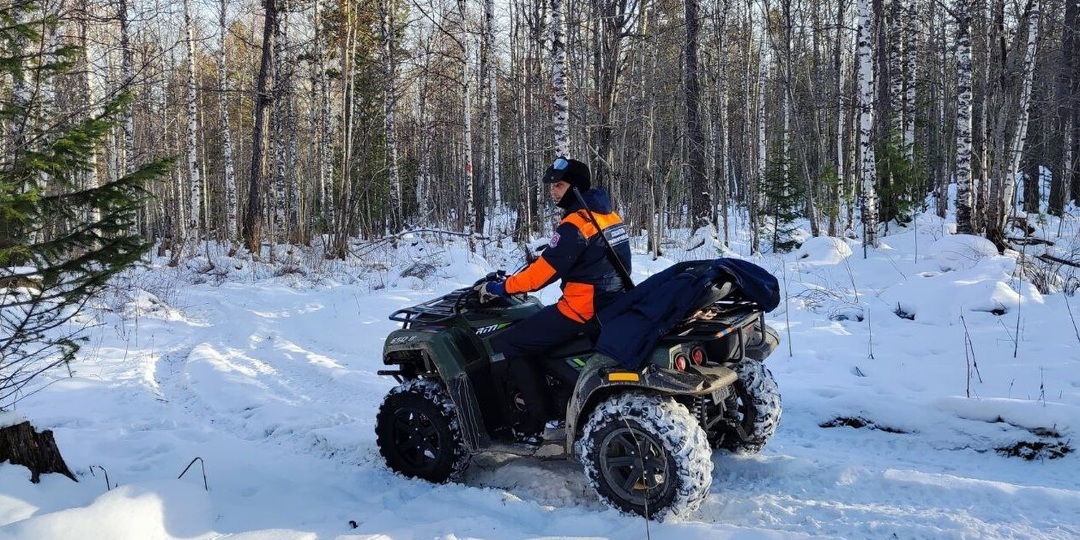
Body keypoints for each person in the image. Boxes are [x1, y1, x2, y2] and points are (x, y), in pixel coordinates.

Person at [477, 156, 632, 440]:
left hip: (582, 309)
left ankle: (541, 420)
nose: (553, 191)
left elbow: (539, 277)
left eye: (559, 185)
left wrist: (502, 288)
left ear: (575, 187)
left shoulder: (575, 224)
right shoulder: (609, 216)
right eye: (551, 186)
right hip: (612, 302)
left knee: (512, 342)